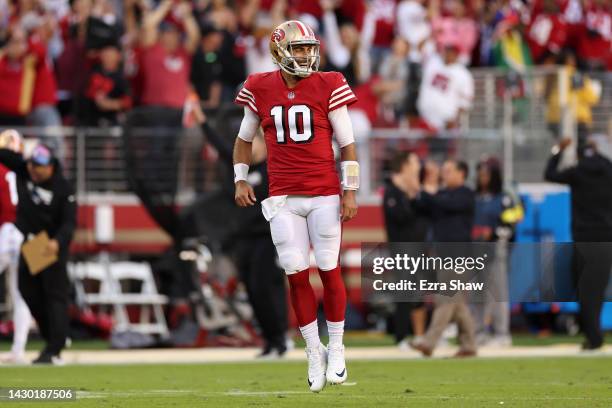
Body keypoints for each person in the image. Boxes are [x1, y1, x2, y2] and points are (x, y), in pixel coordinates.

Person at [232, 20, 359, 392]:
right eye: (298, 48)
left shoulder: (329, 83)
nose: (305, 55)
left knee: (330, 270)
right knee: (295, 273)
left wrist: (350, 190)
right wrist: (240, 178)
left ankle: (335, 346)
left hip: (323, 193)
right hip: (283, 197)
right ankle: (312, 351)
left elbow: (347, 144)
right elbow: (243, 139)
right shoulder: (259, 86)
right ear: (279, 51)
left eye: (308, 48)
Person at [195, 111, 289, 359]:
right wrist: (204, 122)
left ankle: (280, 339)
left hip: (266, 238)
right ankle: (269, 341)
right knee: (252, 291)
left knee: (264, 288)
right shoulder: (244, 171)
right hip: (244, 238)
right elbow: (225, 151)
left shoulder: (274, 168)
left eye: (253, 142)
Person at [0, 142, 77, 364]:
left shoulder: (63, 188)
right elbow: (6, 156)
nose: (35, 170)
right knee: (28, 290)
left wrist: (58, 242)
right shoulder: (25, 172)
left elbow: (69, 223)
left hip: (50, 245)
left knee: (55, 295)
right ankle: (51, 336)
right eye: (33, 165)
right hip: (32, 243)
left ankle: (55, 347)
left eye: (40, 166)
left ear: (52, 166)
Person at [544, 137, 612, 350]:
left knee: (583, 289)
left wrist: (558, 150)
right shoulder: (608, 170)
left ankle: (593, 336)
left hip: (584, 238)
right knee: (598, 289)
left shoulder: (577, 171)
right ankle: (594, 335)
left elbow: (550, 174)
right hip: (606, 237)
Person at [410, 159, 477, 357]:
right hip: (443, 254)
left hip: (459, 254)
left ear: (461, 173)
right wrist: (423, 186)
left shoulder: (465, 194)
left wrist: (429, 191)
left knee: (446, 299)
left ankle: (429, 342)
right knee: (457, 303)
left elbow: (442, 204)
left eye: (448, 171)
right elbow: (419, 205)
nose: (444, 175)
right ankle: (469, 345)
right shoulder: (441, 194)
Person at [471, 158, 523, 347]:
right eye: (480, 174)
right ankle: (478, 331)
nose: (482, 178)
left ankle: (502, 333)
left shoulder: (503, 198)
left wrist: (493, 233)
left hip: (495, 247)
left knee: (498, 292)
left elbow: (511, 223)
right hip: (475, 249)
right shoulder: (474, 198)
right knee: (477, 292)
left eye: (485, 174)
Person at [382, 151, 428, 348]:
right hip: (401, 249)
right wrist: (409, 196)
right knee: (404, 291)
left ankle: (419, 335)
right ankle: (400, 336)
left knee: (418, 292)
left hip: (418, 247)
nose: (418, 164)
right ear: (405, 165)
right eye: (414, 161)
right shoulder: (393, 191)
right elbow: (400, 218)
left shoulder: (415, 190)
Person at [0, 130, 31, 364]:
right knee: (22, 294)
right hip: (26, 234)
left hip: (4, 231)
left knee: (21, 293)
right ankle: (19, 349)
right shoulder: (29, 172)